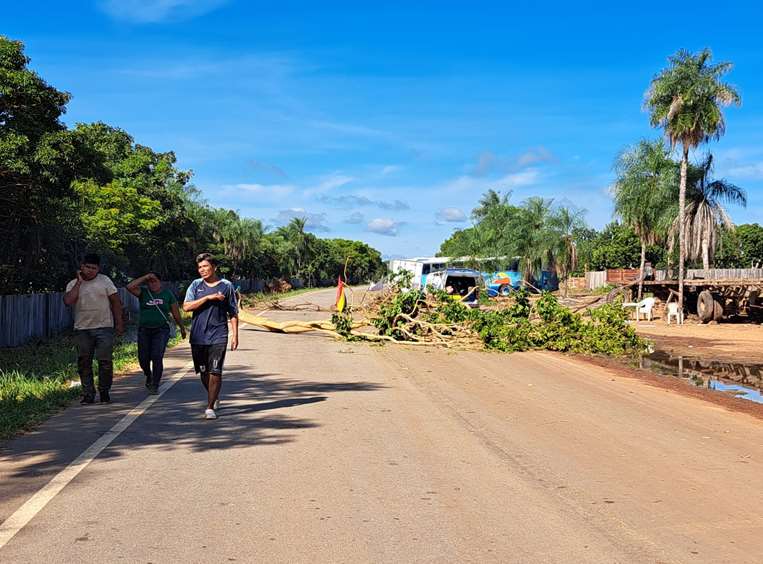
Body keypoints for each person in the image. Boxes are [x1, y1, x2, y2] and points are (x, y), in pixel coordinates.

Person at [183, 253, 239, 420]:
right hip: (198, 336)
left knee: (215, 371)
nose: (202, 270)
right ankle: (213, 397)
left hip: (219, 335)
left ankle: (209, 407)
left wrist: (235, 335)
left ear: (214, 267)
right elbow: (186, 307)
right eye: (200, 267)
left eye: (205, 266)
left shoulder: (227, 286)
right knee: (203, 372)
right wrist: (208, 297)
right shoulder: (195, 285)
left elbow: (233, 312)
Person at [63, 253, 124, 404]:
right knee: (84, 362)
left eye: (94, 268)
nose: (90, 270)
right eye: (87, 267)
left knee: (105, 361)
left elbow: (116, 302)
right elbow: (68, 301)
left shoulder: (105, 281)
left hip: (104, 327)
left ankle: (104, 392)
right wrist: (79, 282)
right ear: (81, 267)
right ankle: (88, 394)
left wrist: (119, 323)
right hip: (82, 329)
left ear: (98, 269)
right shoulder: (73, 284)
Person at [127, 272, 186, 395]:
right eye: (150, 282)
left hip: (161, 330)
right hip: (144, 330)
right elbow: (129, 287)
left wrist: (181, 327)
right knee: (143, 358)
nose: (152, 284)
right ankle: (148, 374)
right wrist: (145, 277)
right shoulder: (143, 293)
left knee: (156, 356)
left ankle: (155, 384)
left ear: (160, 282)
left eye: (155, 281)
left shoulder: (167, 294)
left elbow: (175, 312)